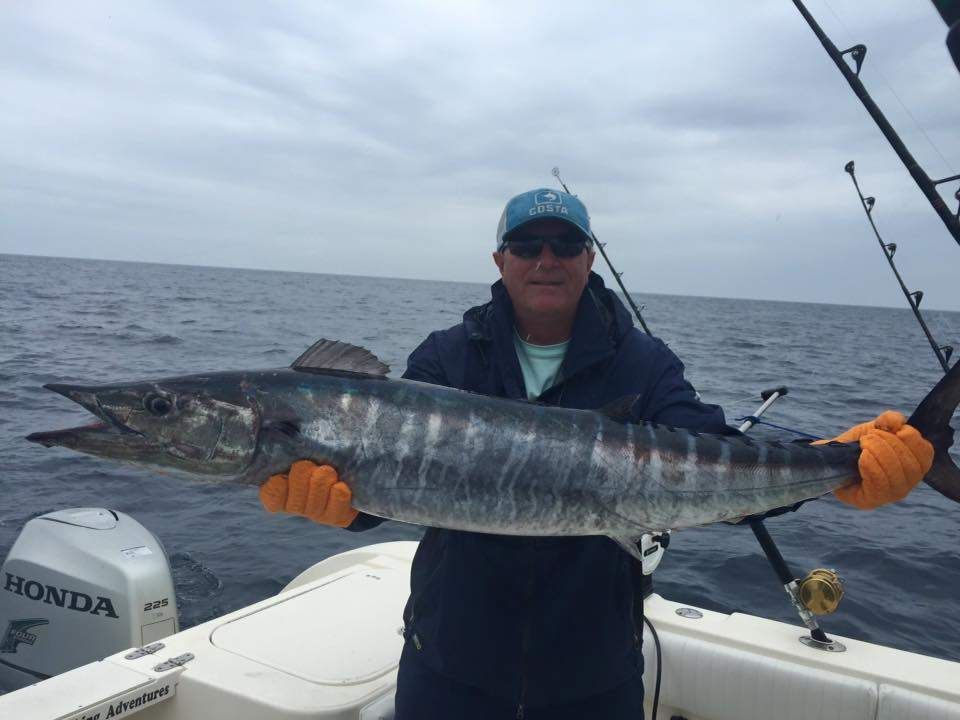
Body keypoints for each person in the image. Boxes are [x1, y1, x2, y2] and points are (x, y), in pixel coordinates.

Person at [259, 188, 934, 719]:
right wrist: (337, 507)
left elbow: (722, 469)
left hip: (594, 676)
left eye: (565, 244)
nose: (544, 258)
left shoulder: (644, 363)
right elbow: (391, 491)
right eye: (526, 245)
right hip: (449, 663)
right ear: (500, 261)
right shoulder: (447, 355)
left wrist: (837, 466)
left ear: (589, 259)